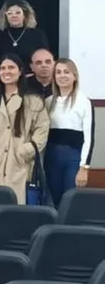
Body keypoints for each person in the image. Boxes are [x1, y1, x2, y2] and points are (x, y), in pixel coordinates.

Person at [0, 53, 50, 204]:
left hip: (17, 165)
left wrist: (25, 151)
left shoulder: (32, 100)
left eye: (11, 67)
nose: (6, 71)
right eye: (2, 68)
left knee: (14, 211)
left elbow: (42, 131)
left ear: (20, 71)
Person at [45, 58, 95, 203]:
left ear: (74, 76)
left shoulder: (84, 102)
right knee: (54, 198)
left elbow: (89, 138)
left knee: (70, 198)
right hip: (52, 156)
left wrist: (84, 167)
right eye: (58, 72)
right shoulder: (48, 102)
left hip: (73, 158)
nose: (62, 75)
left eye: (66, 72)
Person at [0, 0, 50, 69]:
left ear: (25, 15)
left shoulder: (38, 35)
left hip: (30, 77)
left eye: (18, 12)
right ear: (5, 16)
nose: (14, 16)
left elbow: (44, 59)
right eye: (10, 13)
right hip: (5, 77)